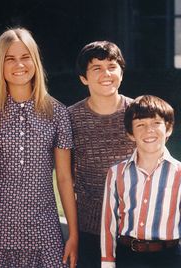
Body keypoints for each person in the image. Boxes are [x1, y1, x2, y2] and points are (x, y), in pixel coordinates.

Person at [0, 27, 78, 268]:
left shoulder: (57, 113)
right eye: (10, 59)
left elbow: (64, 178)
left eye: (25, 57)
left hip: (45, 229)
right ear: (0, 64)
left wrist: (73, 234)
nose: (19, 65)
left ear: (35, 61)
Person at [68, 41, 135, 268]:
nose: (106, 73)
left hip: (134, 229)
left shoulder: (139, 113)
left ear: (121, 72)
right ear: (83, 78)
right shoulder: (70, 118)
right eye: (96, 68)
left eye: (112, 66)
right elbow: (66, 177)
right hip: (89, 229)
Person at [101, 95, 181, 268]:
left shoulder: (179, 173)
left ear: (168, 129)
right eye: (140, 125)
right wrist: (107, 262)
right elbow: (109, 224)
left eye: (156, 123)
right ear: (131, 134)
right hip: (128, 257)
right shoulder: (116, 173)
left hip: (169, 258)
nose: (149, 130)